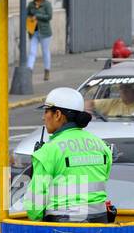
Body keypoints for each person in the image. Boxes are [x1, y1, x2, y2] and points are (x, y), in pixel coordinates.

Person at [26, 87, 113, 223]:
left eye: (46, 111)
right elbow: (104, 178)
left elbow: (35, 206)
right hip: (99, 223)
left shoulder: (48, 151)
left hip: (62, 228)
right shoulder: (101, 145)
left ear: (58, 114)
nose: (44, 117)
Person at [26, 0, 54, 81]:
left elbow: (49, 16)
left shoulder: (47, 4)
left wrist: (37, 16)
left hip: (45, 32)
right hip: (34, 31)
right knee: (32, 52)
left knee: (45, 52)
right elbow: (26, 15)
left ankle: (47, 71)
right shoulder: (31, 4)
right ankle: (29, 71)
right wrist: (30, 19)